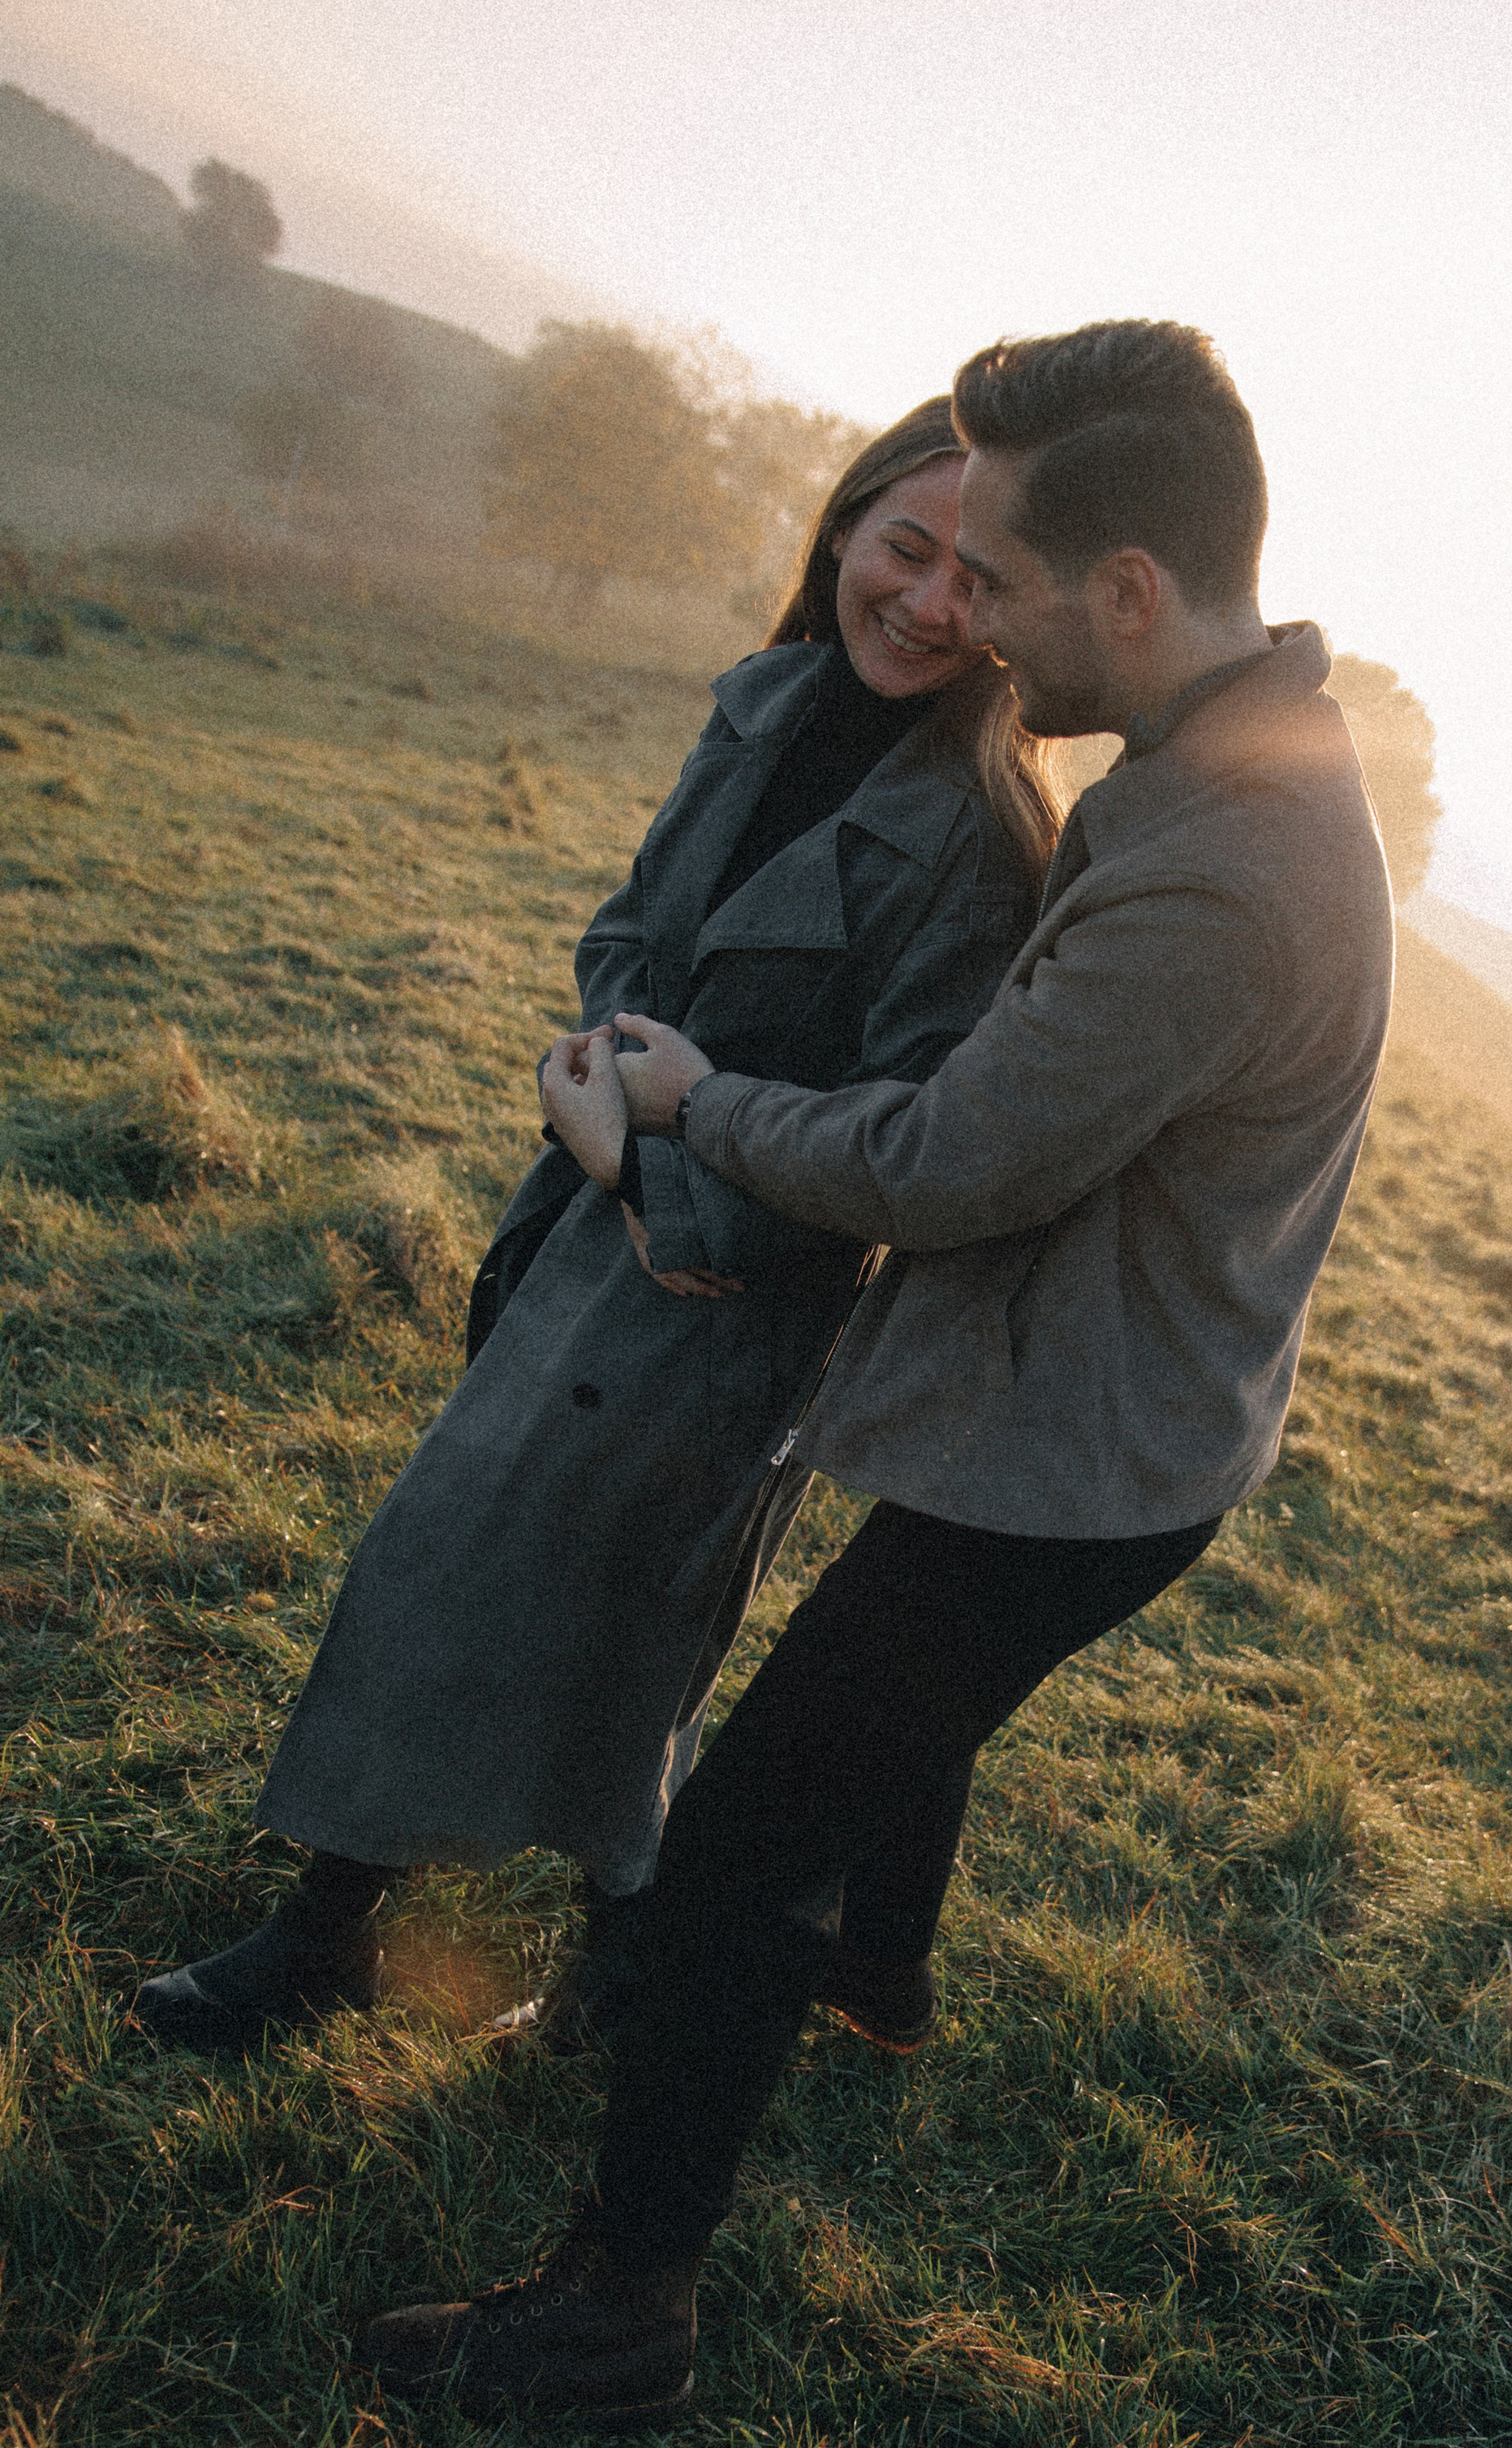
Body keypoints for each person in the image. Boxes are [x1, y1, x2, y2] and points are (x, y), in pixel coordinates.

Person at [357, 317, 1395, 2430]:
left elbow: (949, 1162)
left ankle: (618, 2310)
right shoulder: (1227, 757)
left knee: (738, 1851)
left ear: (1125, 591)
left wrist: (697, 1095)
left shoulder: (1213, 859)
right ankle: (884, 1970)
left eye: (1000, 578)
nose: (974, 630)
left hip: (1074, 1460)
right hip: (1104, 1408)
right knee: (875, 1729)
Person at [134, 398, 1060, 2056]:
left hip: (731, 1297)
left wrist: (656, 1169)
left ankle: (580, 1974)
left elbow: (898, 1132)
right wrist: (610, 1069)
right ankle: (346, 1927)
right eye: (904, 547)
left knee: (625, 1646)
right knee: (452, 1565)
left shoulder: (985, 845)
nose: (927, 603)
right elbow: (638, 917)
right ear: (842, 529)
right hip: (580, 1228)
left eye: (979, 580)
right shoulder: (765, 704)